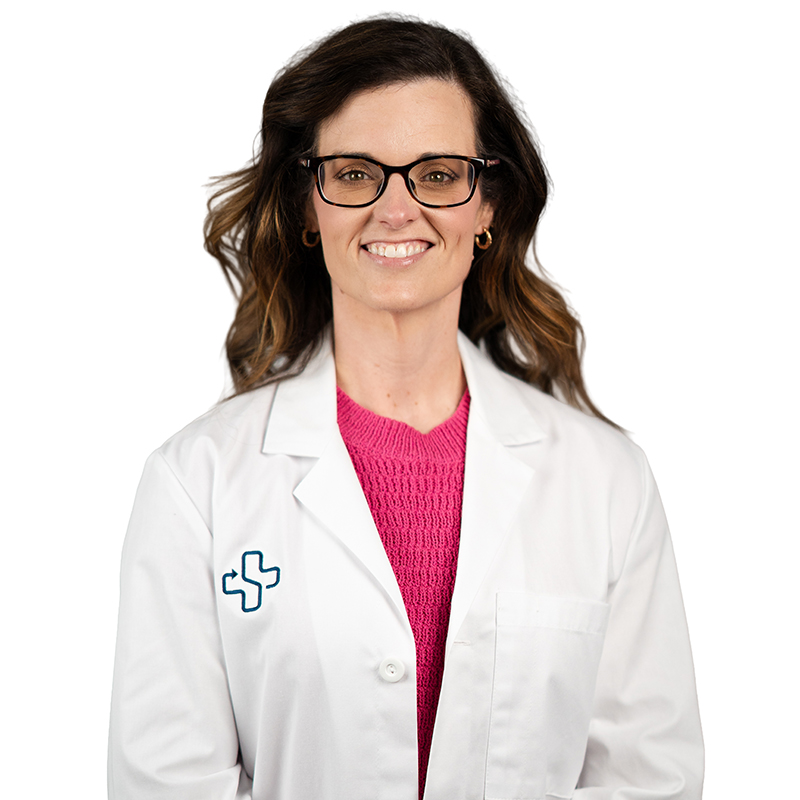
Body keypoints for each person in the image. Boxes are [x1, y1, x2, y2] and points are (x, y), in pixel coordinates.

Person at [108, 16, 703, 800]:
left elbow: (650, 778)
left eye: (439, 174)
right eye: (356, 173)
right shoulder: (198, 484)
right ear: (308, 205)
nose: (396, 209)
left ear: (486, 206)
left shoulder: (606, 482)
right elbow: (166, 784)